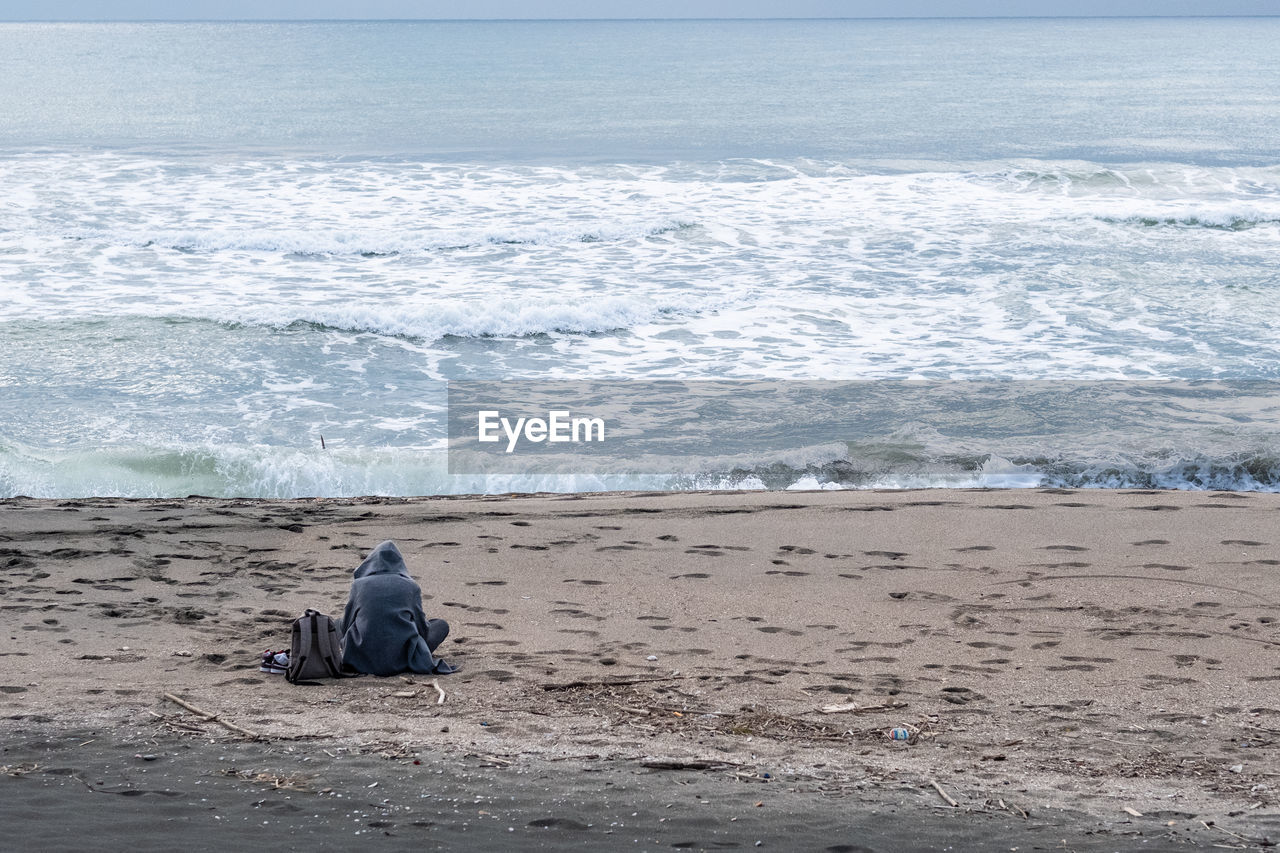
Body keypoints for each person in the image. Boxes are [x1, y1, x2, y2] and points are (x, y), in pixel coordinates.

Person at [338, 540, 458, 676]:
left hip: (361, 658)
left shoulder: (359, 585)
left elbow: (347, 624)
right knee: (440, 625)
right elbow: (421, 628)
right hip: (401, 658)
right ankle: (408, 655)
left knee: (336, 624)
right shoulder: (410, 586)